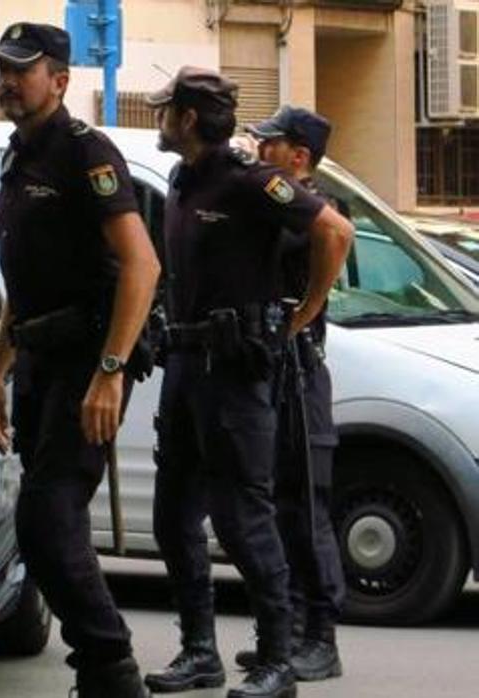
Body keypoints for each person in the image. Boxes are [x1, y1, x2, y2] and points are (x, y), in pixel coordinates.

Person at [142, 67, 353, 698]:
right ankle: (199, 652)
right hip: (184, 368)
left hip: (234, 377)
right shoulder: (183, 180)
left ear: (187, 119)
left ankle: (278, 661)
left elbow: (334, 231)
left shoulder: (249, 181)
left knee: (245, 520)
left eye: (165, 110)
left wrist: (307, 309)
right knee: (172, 517)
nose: (159, 119)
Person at [0, 22, 161, 698]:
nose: (6, 80)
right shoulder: (16, 157)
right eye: (0, 68)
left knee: (46, 521)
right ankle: (101, 675)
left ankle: (111, 672)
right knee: (51, 525)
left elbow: (142, 264)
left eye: (21, 69)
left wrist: (109, 373)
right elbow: (21, 285)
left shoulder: (85, 152)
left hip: (87, 363)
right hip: (39, 362)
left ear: (59, 79)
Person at [232, 105, 347, 682]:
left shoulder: (319, 208)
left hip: (299, 370)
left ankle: (320, 637)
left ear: (298, 156)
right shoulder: (267, 199)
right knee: (273, 504)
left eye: (270, 143)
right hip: (268, 367)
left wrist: (306, 312)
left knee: (304, 503)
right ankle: (288, 629)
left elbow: (335, 241)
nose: (258, 148)